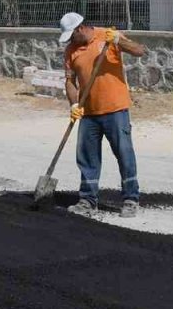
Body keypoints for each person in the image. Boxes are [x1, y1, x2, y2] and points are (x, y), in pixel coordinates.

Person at [59, 12, 146, 218]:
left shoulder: (107, 36)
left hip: (115, 109)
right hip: (88, 112)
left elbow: (139, 51)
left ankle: (131, 199)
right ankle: (87, 201)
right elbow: (70, 81)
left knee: (124, 153)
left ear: (81, 28)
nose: (71, 41)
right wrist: (74, 105)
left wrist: (118, 40)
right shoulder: (71, 50)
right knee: (87, 157)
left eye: (72, 35)